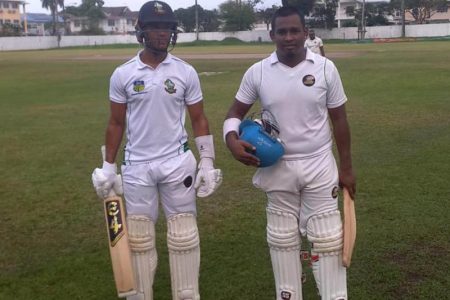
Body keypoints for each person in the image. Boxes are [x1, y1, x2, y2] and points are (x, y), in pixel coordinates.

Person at [91, 1, 222, 299]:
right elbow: (115, 122)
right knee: (138, 238)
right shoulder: (123, 74)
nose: (162, 34)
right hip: (137, 166)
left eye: (167, 28)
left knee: (183, 233)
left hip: (178, 162)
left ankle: (187, 294)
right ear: (141, 32)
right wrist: (108, 167)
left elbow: (199, 117)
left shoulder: (185, 71)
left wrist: (208, 162)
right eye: (155, 27)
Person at [223, 6, 355, 300]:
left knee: (327, 238)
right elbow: (234, 112)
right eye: (282, 31)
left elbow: (340, 120)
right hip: (277, 165)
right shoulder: (257, 72)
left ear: (306, 33)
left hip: (319, 162)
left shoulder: (324, 68)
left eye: (295, 30)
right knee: (282, 239)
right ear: (272, 35)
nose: (289, 37)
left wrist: (346, 167)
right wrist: (231, 140)